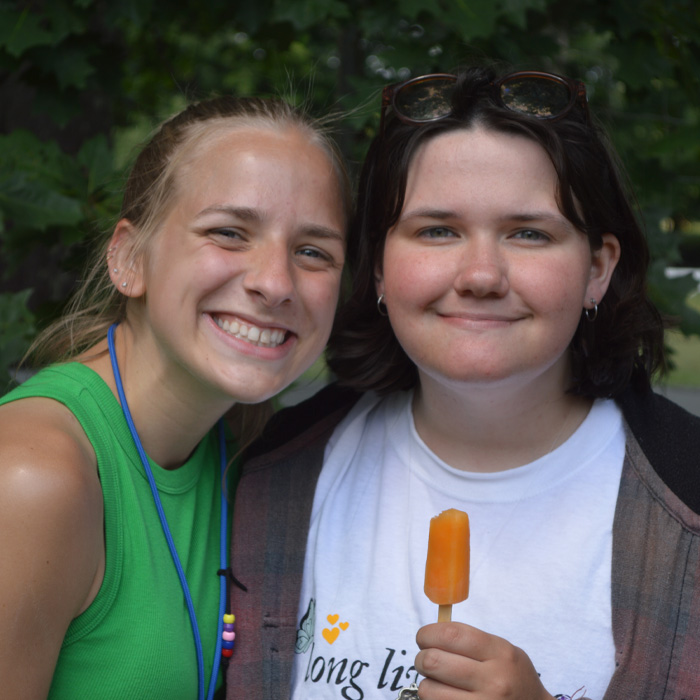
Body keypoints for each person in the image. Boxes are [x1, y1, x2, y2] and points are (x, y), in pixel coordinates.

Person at [225, 67, 700, 700]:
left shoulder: (688, 496)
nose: (481, 275)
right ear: (379, 267)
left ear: (596, 268)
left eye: (528, 233)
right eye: (437, 230)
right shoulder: (267, 475)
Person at [0, 94, 350, 700]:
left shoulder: (242, 451)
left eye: (312, 251)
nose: (274, 281)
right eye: (229, 233)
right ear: (129, 258)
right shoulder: (34, 476)